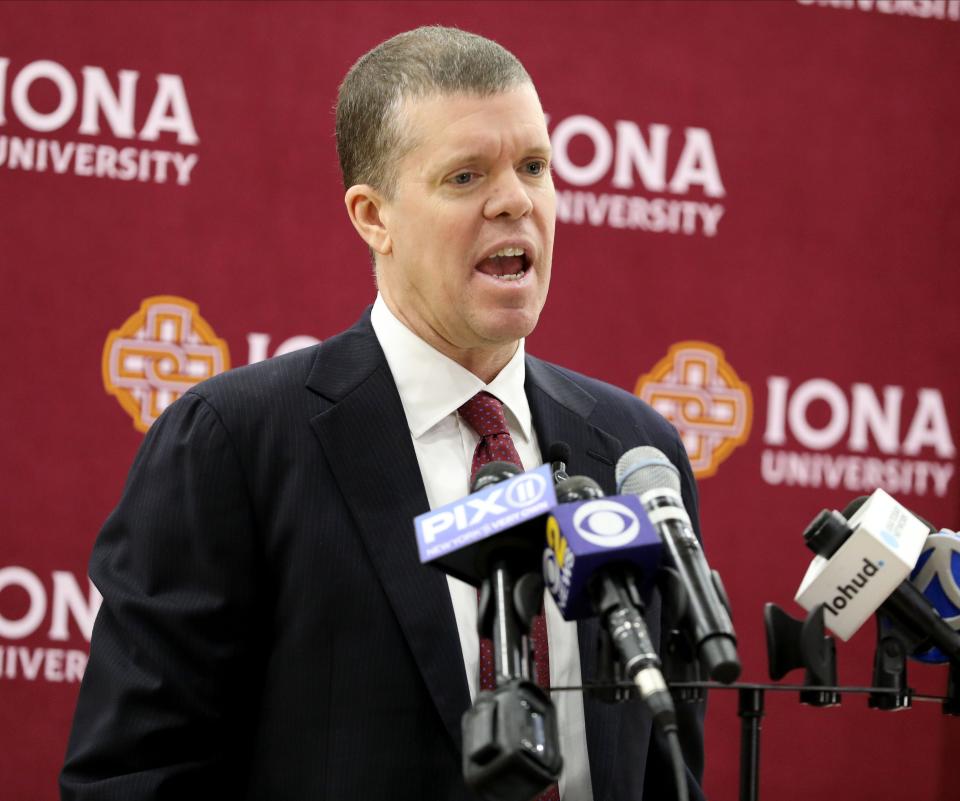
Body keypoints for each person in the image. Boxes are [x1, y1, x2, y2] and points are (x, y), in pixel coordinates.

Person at [61, 26, 705, 801]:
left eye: (535, 166)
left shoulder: (636, 448)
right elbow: (133, 777)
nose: (516, 200)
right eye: (466, 176)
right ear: (373, 217)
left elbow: (670, 766)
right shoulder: (236, 441)